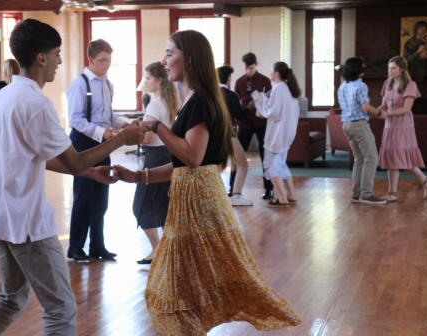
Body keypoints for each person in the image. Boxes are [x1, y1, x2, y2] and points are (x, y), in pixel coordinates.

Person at [114, 30, 302, 336]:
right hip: (192, 195)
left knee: (187, 280)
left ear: (188, 58)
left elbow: (191, 157)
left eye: (169, 53)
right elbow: (183, 165)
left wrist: (157, 126)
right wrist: (138, 176)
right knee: (186, 281)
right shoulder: (194, 99)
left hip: (199, 199)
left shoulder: (201, 99)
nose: (165, 61)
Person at [0, 19, 146, 335]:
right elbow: (73, 162)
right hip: (24, 221)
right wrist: (120, 139)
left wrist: (90, 171)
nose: (60, 61)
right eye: (57, 54)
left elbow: (33, 156)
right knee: (61, 310)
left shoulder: (5, 95)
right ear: (41, 58)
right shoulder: (36, 102)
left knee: (10, 299)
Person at [66, 39, 130, 261]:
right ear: (90, 60)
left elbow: (108, 116)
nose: (107, 64)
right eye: (103, 60)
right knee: (83, 197)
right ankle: (75, 247)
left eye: (110, 60)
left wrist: (125, 125)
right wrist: (101, 133)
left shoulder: (107, 84)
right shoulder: (80, 84)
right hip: (82, 143)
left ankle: (97, 246)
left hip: (103, 144)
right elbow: (75, 120)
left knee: (102, 197)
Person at [133, 62, 178, 265]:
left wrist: (128, 136)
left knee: (140, 206)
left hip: (155, 158)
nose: (145, 83)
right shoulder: (169, 101)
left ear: (159, 81)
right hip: (167, 155)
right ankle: (164, 250)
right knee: (163, 204)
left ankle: (156, 249)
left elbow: (148, 139)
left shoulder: (154, 104)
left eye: (149, 78)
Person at [376, 56, 427, 201]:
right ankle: (396, 192)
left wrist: (387, 113)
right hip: (389, 126)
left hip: (403, 125)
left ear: (402, 69)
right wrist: (374, 111)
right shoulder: (386, 83)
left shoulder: (410, 84)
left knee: (403, 158)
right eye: (389, 68)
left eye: (393, 68)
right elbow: (383, 106)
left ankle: (396, 192)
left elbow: (407, 108)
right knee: (392, 158)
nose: (390, 71)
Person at [251, 62, 301, 207]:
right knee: (281, 164)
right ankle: (291, 195)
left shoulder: (279, 88)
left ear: (277, 73)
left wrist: (261, 100)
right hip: (286, 133)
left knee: (270, 165)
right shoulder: (288, 88)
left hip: (277, 134)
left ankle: (282, 198)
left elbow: (273, 112)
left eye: (271, 70)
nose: (270, 72)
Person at [337, 57, 386, 205]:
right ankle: (366, 194)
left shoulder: (342, 86)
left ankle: (356, 194)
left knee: (359, 159)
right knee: (371, 158)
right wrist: (379, 113)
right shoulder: (361, 86)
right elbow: (365, 107)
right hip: (359, 125)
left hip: (346, 125)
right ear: (359, 69)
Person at [234, 52, 275, 200]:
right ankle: (233, 188)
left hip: (261, 122)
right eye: (246, 68)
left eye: (250, 68)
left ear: (256, 65)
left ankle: (269, 189)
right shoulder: (239, 82)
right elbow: (236, 100)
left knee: (266, 156)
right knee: (237, 156)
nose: (248, 71)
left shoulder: (265, 80)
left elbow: (271, 99)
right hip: (244, 123)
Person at [217, 65, 251, 206]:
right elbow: (241, 116)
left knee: (217, 166)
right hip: (228, 134)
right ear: (229, 79)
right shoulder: (230, 95)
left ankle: (215, 196)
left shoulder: (210, 94)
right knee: (242, 163)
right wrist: (250, 107)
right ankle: (236, 195)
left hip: (212, 135)